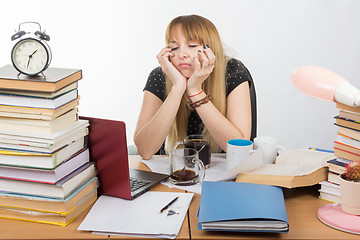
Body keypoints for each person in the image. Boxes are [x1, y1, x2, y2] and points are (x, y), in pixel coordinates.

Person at [134, 14, 254, 160]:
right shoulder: (159, 75)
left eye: (192, 46)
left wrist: (195, 91)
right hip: (173, 173)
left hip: (224, 173)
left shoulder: (233, 70)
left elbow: (238, 146)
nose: (182, 54)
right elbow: (145, 150)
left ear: (210, 48)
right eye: (174, 47)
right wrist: (177, 88)